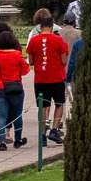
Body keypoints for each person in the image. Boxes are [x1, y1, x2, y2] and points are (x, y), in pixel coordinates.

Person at [27, 9, 71, 145]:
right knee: (59, 104)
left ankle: (42, 134)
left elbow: (31, 61)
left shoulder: (33, 41)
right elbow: (64, 61)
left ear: (40, 27)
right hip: (57, 77)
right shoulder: (59, 40)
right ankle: (54, 130)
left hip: (40, 78)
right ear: (52, 26)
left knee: (43, 105)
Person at [0, 27, 31, 149]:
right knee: (17, 115)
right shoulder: (17, 55)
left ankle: (1, 142)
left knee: (1, 115)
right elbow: (26, 71)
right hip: (15, 87)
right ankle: (18, 139)